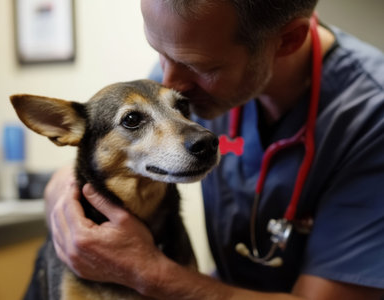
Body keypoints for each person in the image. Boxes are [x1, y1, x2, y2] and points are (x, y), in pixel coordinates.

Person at [27, 0, 384, 299]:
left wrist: (148, 271)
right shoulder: (183, 77)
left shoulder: (371, 116)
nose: (167, 81)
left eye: (200, 66)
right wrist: (65, 198)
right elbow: (106, 146)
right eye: (160, 52)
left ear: (287, 41)